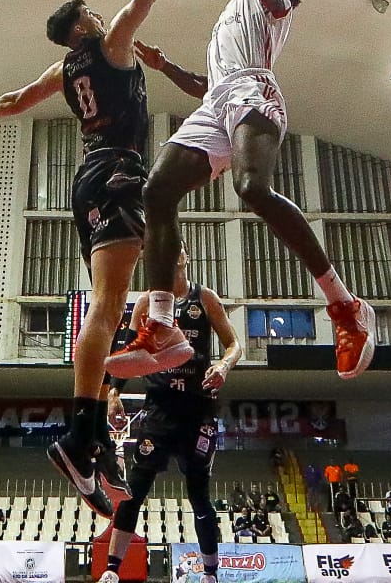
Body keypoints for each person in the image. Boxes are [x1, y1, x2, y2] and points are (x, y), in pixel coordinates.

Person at [0, 0, 212, 516]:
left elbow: (17, 100)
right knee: (116, 298)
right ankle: (85, 426)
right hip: (121, 172)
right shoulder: (108, 46)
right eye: (92, 12)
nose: (102, 14)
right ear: (82, 25)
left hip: (89, 178)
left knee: (110, 299)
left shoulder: (66, 71)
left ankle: (92, 425)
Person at [127, 0, 375, 386]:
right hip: (220, 102)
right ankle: (160, 320)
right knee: (157, 189)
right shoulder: (233, 17)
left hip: (255, 96)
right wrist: (166, 67)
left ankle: (344, 304)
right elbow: (207, 86)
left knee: (250, 187)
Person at [99, 249, 240, 583]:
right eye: (166, 247)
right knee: (135, 489)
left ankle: (210, 574)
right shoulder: (146, 302)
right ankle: (111, 571)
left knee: (199, 493)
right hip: (159, 407)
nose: (172, 250)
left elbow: (234, 344)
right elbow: (128, 351)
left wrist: (223, 364)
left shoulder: (205, 297)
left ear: (187, 257)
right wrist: (113, 393)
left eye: (178, 246)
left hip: (198, 408)